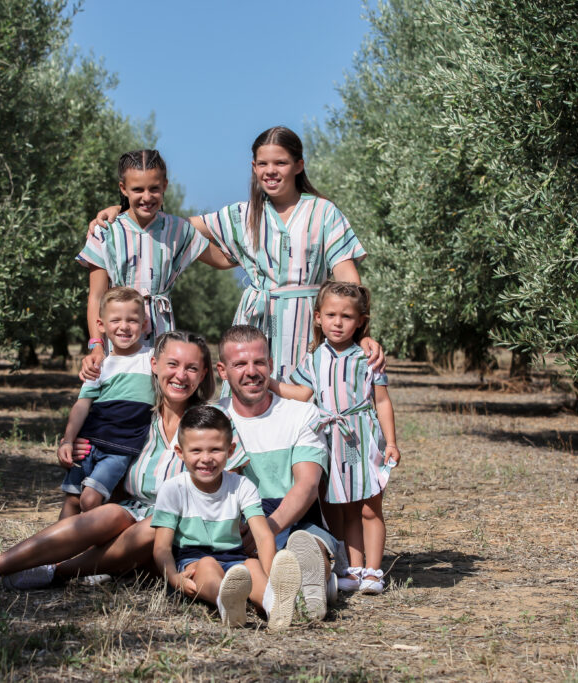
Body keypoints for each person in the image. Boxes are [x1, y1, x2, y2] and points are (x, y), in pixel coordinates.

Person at [85, 127, 384, 384]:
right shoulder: (242, 215)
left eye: (280, 162)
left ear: (298, 165)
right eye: (263, 163)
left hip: (311, 322)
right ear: (254, 167)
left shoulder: (323, 211)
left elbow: (347, 277)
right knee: (250, 392)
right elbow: (175, 225)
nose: (271, 170)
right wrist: (119, 212)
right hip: (255, 322)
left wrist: (362, 334)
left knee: (309, 393)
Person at [0, 331, 225, 593]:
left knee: (155, 523)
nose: (181, 375)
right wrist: (75, 448)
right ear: (154, 365)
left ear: (203, 375)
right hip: (131, 518)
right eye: (172, 364)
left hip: (178, 534)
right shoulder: (138, 420)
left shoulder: (208, 425)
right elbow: (105, 459)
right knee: (112, 513)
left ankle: (55, 571)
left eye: (192, 368)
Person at [270, 281, 400, 594]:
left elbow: (381, 401)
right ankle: (354, 569)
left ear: (360, 321)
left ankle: (374, 570)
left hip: (362, 439)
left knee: (370, 506)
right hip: (330, 439)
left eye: (346, 316)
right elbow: (301, 392)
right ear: (318, 317)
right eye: (331, 315)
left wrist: (391, 442)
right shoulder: (314, 358)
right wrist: (268, 384)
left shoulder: (367, 358)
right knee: (345, 509)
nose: (337, 322)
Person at [215, 324, 340, 621]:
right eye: (240, 364)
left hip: (290, 518)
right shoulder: (213, 419)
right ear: (223, 370)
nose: (252, 371)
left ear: (271, 365)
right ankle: (307, 587)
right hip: (239, 525)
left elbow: (308, 485)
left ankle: (312, 574)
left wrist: (268, 529)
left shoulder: (301, 413)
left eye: (259, 362)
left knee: (307, 543)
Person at [79, 150, 232, 373]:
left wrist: (257, 247)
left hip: (162, 332)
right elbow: (96, 296)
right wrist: (96, 345)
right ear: (123, 189)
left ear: (165, 186)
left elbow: (222, 260)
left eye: (154, 188)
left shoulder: (178, 229)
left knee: (162, 393)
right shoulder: (105, 232)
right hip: (119, 333)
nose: (147, 197)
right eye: (137, 189)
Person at [151, 405, 301, 629]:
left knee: (252, 565)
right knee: (208, 564)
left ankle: (273, 602)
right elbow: (161, 547)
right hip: (193, 563)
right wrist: (174, 578)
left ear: (230, 451)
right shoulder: (173, 489)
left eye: (215, 450)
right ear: (180, 452)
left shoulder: (241, 486)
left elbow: (262, 535)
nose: (206, 458)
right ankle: (226, 603)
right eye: (196, 451)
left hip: (235, 560)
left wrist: (270, 576)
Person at [56, 287, 153, 519]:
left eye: (132, 320)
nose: (124, 326)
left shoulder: (151, 359)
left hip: (120, 448)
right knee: (71, 499)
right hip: (89, 443)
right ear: (101, 325)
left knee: (91, 499)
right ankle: (57, 554)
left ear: (145, 324)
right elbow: (82, 405)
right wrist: (67, 440)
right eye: (116, 320)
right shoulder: (99, 365)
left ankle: (88, 550)